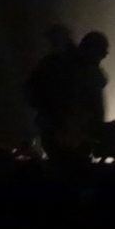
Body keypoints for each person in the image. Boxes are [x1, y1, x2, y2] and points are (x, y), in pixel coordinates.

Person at [26, 24, 78, 161]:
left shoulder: (51, 64)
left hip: (63, 122)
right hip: (63, 122)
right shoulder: (73, 62)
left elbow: (33, 89)